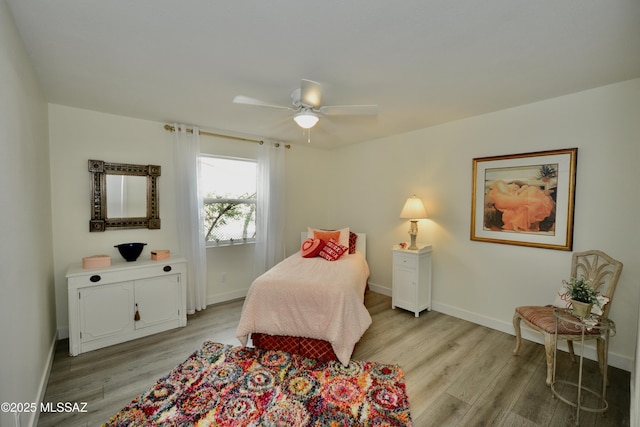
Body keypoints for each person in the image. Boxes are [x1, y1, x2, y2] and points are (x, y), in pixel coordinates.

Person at [487, 180, 555, 232]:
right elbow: (513, 198)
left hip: (518, 200)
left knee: (533, 193)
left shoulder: (506, 191)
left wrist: (520, 190)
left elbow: (515, 197)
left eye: (515, 185)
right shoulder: (498, 190)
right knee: (534, 199)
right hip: (514, 201)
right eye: (513, 185)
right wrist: (518, 191)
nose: (515, 186)